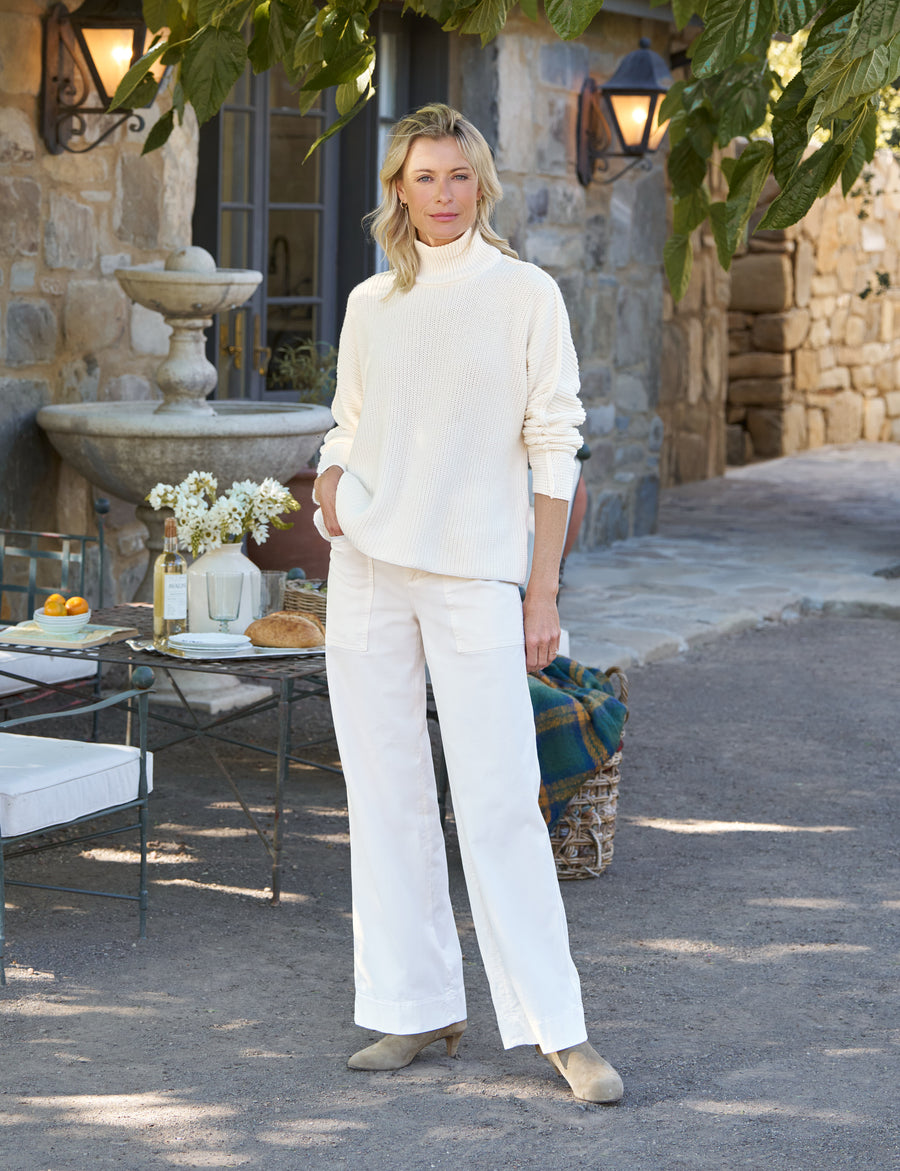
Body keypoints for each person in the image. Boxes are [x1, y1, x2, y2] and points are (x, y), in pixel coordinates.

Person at [313, 103, 623, 1105]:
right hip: (366, 568)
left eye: (457, 176)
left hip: (477, 578)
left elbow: (553, 445)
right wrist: (328, 486)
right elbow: (349, 427)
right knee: (387, 793)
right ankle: (414, 1007)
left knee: (498, 801)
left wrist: (542, 590)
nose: (441, 194)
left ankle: (558, 1029)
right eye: (422, 177)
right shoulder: (373, 303)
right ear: (397, 190)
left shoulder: (525, 295)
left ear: (480, 185)